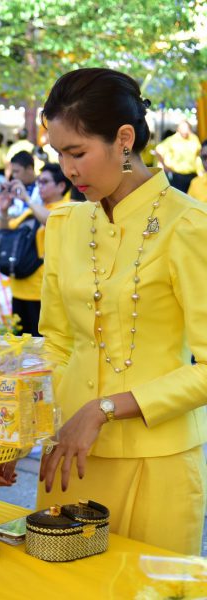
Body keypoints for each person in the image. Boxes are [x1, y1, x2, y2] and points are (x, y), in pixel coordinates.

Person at [37, 67, 207, 555]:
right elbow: (56, 343)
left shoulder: (188, 226)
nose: (68, 171)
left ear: (124, 139)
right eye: (59, 155)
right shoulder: (67, 223)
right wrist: (18, 427)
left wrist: (104, 409)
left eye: (78, 153)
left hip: (158, 464)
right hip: (69, 457)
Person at [0, 162, 70, 336]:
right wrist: (4, 211)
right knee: (22, 349)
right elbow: (4, 234)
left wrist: (27, 200)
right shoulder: (32, 211)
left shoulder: (68, 208)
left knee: (41, 351)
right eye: (38, 182)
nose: (40, 186)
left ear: (61, 186)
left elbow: (52, 221)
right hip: (19, 290)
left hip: (43, 294)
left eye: (45, 182)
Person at [155, 120, 201, 192]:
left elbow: (199, 153)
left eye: (187, 128)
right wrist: (165, 166)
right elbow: (158, 150)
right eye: (183, 128)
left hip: (193, 175)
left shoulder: (194, 138)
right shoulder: (172, 140)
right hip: (178, 176)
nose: (185, 131)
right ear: (178, 129)